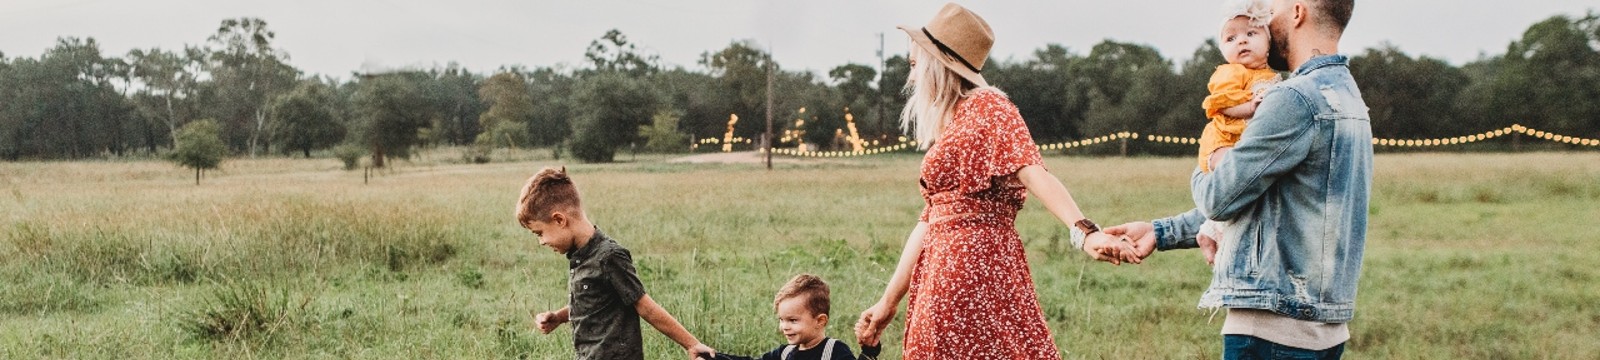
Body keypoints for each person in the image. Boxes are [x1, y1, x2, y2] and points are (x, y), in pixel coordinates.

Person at [852, 3, 1138, 359]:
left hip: (979, 272)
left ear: (937, 64)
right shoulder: (953, 121)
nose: (911, 77)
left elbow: (1034, 173)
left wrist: (1084, 232)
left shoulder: (990, 107)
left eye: (914, 65)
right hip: (939, 273)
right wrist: (887, 303)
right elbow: (930, 220)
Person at [1109, 0, 1370, 359]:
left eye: (1270, 10)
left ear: (1297, 12)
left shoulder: (1294, 98)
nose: (1264, 19)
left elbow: (1220, 198)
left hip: (1272, 327)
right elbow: (1264, 195)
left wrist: (1209, 156)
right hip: (1324, 329)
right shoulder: (1346, 95)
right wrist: (1162, 231)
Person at [519, 167, 716, 360]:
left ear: (560, 220)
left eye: (540, 233)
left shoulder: (609, 256)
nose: (541, 242)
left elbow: (645, 306)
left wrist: (691, 344)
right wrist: (558, 317)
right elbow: (595, 305)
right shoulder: (580, 257)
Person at [1196, 0, 1283, 265]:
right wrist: (1250, 107)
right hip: (1223, 140)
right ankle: (1214, 231)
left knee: (1246, 188)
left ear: (1268, 42)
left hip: (1245, 139)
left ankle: (1212, 231)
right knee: (1233, 177)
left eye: (1251, 34)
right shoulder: (1230, 72)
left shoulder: (1272, 76)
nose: (1241, 42)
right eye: (1231, 38)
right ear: (1222, 49)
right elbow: (1222, 103)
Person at [703, 274, 880, 360]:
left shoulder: (834, 351)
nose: (785, 326)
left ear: (820, 321)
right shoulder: (784, 353)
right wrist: (713, 357)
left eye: (793, 320)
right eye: (782, 320)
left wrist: (869, 351)